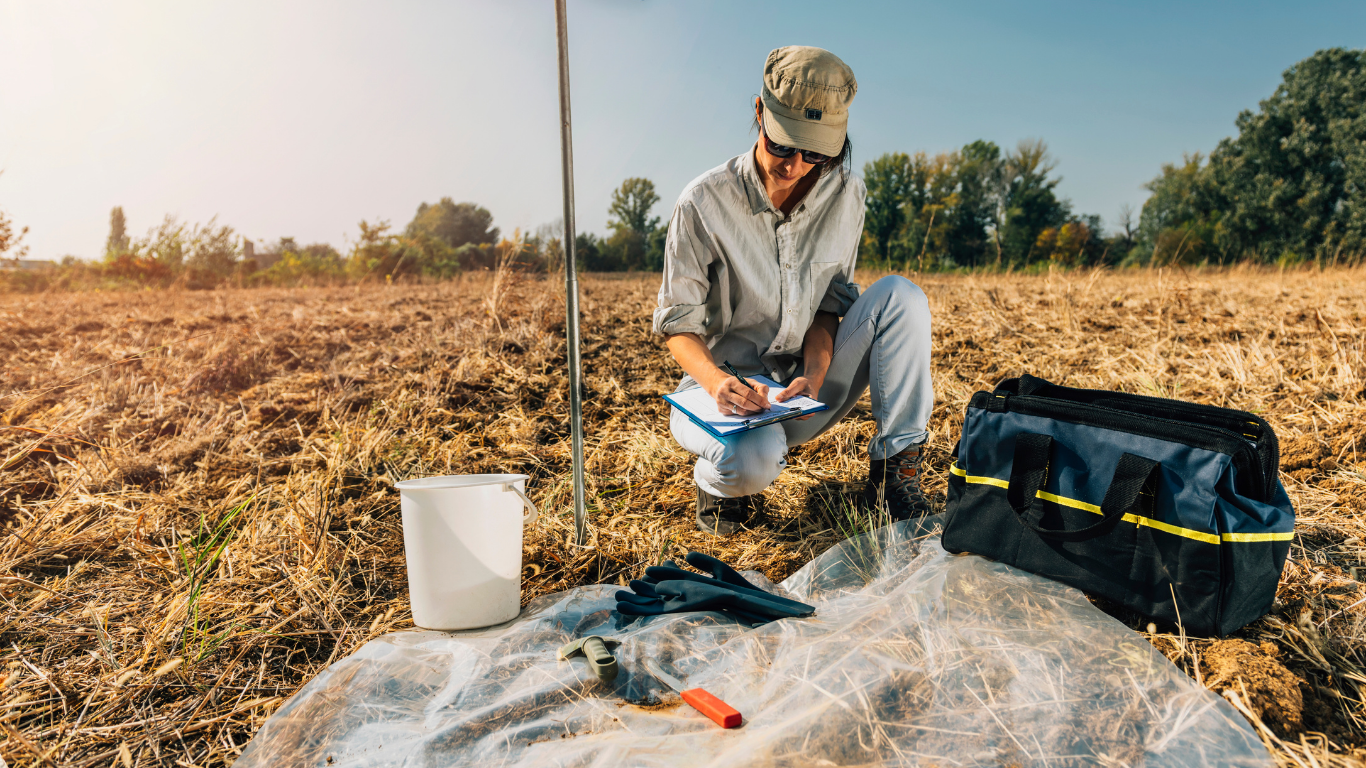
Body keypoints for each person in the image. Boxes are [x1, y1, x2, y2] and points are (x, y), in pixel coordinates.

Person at [654, 45, 935, 535]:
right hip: (724, 396)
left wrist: (814, 372)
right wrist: (720, 384)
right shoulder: (701, 202)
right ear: (759, 112)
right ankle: (718, 482)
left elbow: (830, 306)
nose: (794, 165)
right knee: (751, 467)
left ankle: (895, 473)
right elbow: (678, 326)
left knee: (901, 297)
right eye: (781, 145)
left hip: (802, 389)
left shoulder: (848, 195)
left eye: (815, 153)